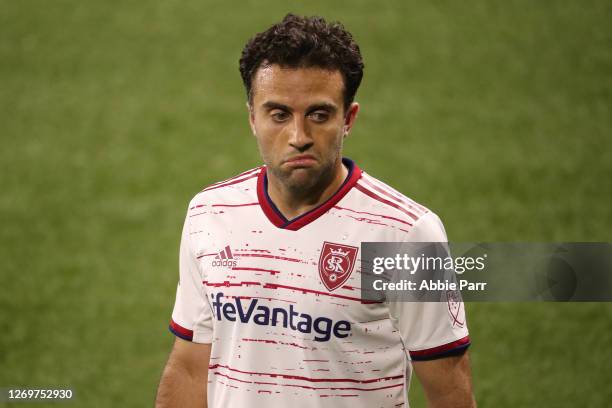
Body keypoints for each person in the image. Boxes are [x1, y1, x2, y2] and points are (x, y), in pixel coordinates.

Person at [155, 13, 475, 408]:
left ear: (349, 119)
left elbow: (449, 390)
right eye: (279, 114)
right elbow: (189, 368)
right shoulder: (211, 213)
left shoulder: (405, 235)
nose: (299, 137)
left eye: (319, 115)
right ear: (252, 118)